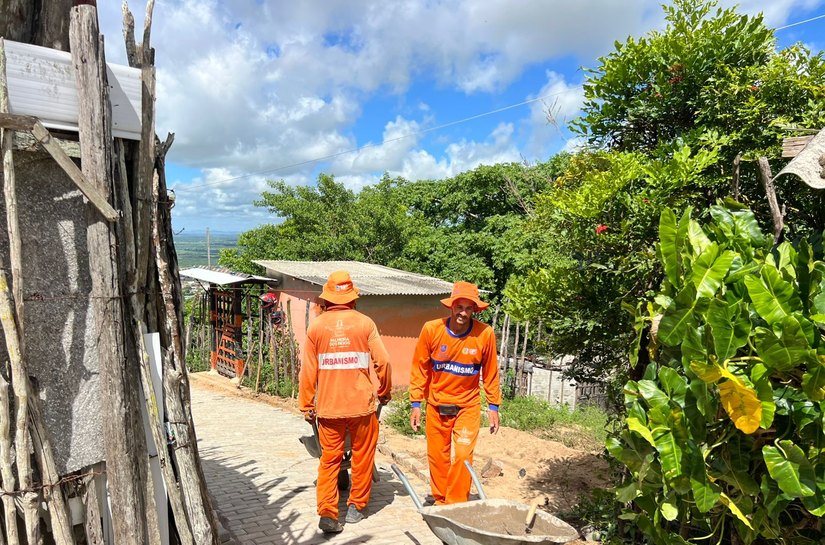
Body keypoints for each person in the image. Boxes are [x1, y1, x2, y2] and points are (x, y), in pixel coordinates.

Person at [298, 271, 392, 534]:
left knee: (329, 460)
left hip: (328, 408)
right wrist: (384, 390)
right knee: (363, 457)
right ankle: (356, 508)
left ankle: (328, 513)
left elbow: (308, 371)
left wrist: (306, 404)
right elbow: (383, 362)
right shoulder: (365, 324)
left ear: (328, 297)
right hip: (362, 407)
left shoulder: (316, 327)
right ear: (352, 298)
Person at [409, 281, 501, 505]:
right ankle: (441, 502)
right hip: (437, 405)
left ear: (474, 310)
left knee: (462, 456)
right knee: (438, 458)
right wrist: (415, 403)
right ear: (451, 307)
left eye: (469, 308)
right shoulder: (431, 330)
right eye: (459, 307)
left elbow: (490, 372)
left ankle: (456, 504)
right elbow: (419, 367)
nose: (463, 313)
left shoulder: (484, 334)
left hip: (467, 407)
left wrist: (493, 407)